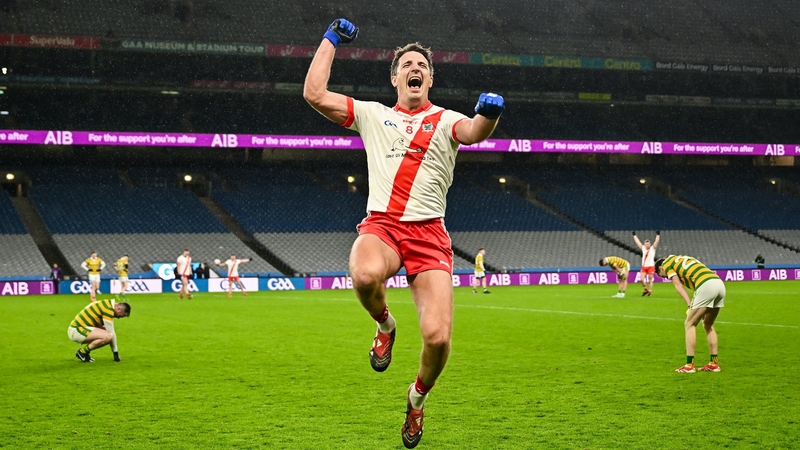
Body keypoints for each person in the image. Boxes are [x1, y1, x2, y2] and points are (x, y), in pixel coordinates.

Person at [304, 18, 504, 449]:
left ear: (430, 78)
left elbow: (473, 133)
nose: (415, 69)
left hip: (429, 235)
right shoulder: (374, 115)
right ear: (395, 77)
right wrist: (331, 38)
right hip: (383, 225)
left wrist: (489, 114)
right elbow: (314, 94)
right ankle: (386, 325)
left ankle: (416, 399)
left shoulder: (447, 119)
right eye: (407, 64)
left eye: (422, 65)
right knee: (363, 274)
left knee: (438, 338)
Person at [655, 255, 724, 373]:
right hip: (719, 284)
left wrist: (689, 304)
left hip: (706, 285)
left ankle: (689, 365)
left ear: (661, 268)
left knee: (689, 324)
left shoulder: (666, 264)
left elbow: (678, 285)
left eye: (664, 276)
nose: (667, 277)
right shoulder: (681, 259)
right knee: (708, 324)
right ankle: (714, 363)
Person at [68, 298, 131, 363]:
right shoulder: (108, 309)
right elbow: (111, 333)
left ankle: (84, 352)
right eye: (120, 316)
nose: (118, 318)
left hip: (78, 328)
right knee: (108, 336)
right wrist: (115, 353)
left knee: (106, 332)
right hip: (77, 330)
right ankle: (82, 352)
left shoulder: (106, 304)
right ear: (119, 309)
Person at [632, 231, 660, 296]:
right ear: (644, 244)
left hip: (651, 266)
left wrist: (658, 235)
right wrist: (634, 235)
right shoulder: (643, 248)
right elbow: (637, 242)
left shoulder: (653, 248)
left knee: (650, 279)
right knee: (641, 279)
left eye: (648, 244)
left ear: (650, 244)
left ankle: (650, 291)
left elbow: (656, 242)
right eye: (646, 244)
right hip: (644, 266)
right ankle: (645, 289)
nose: (647, 245)